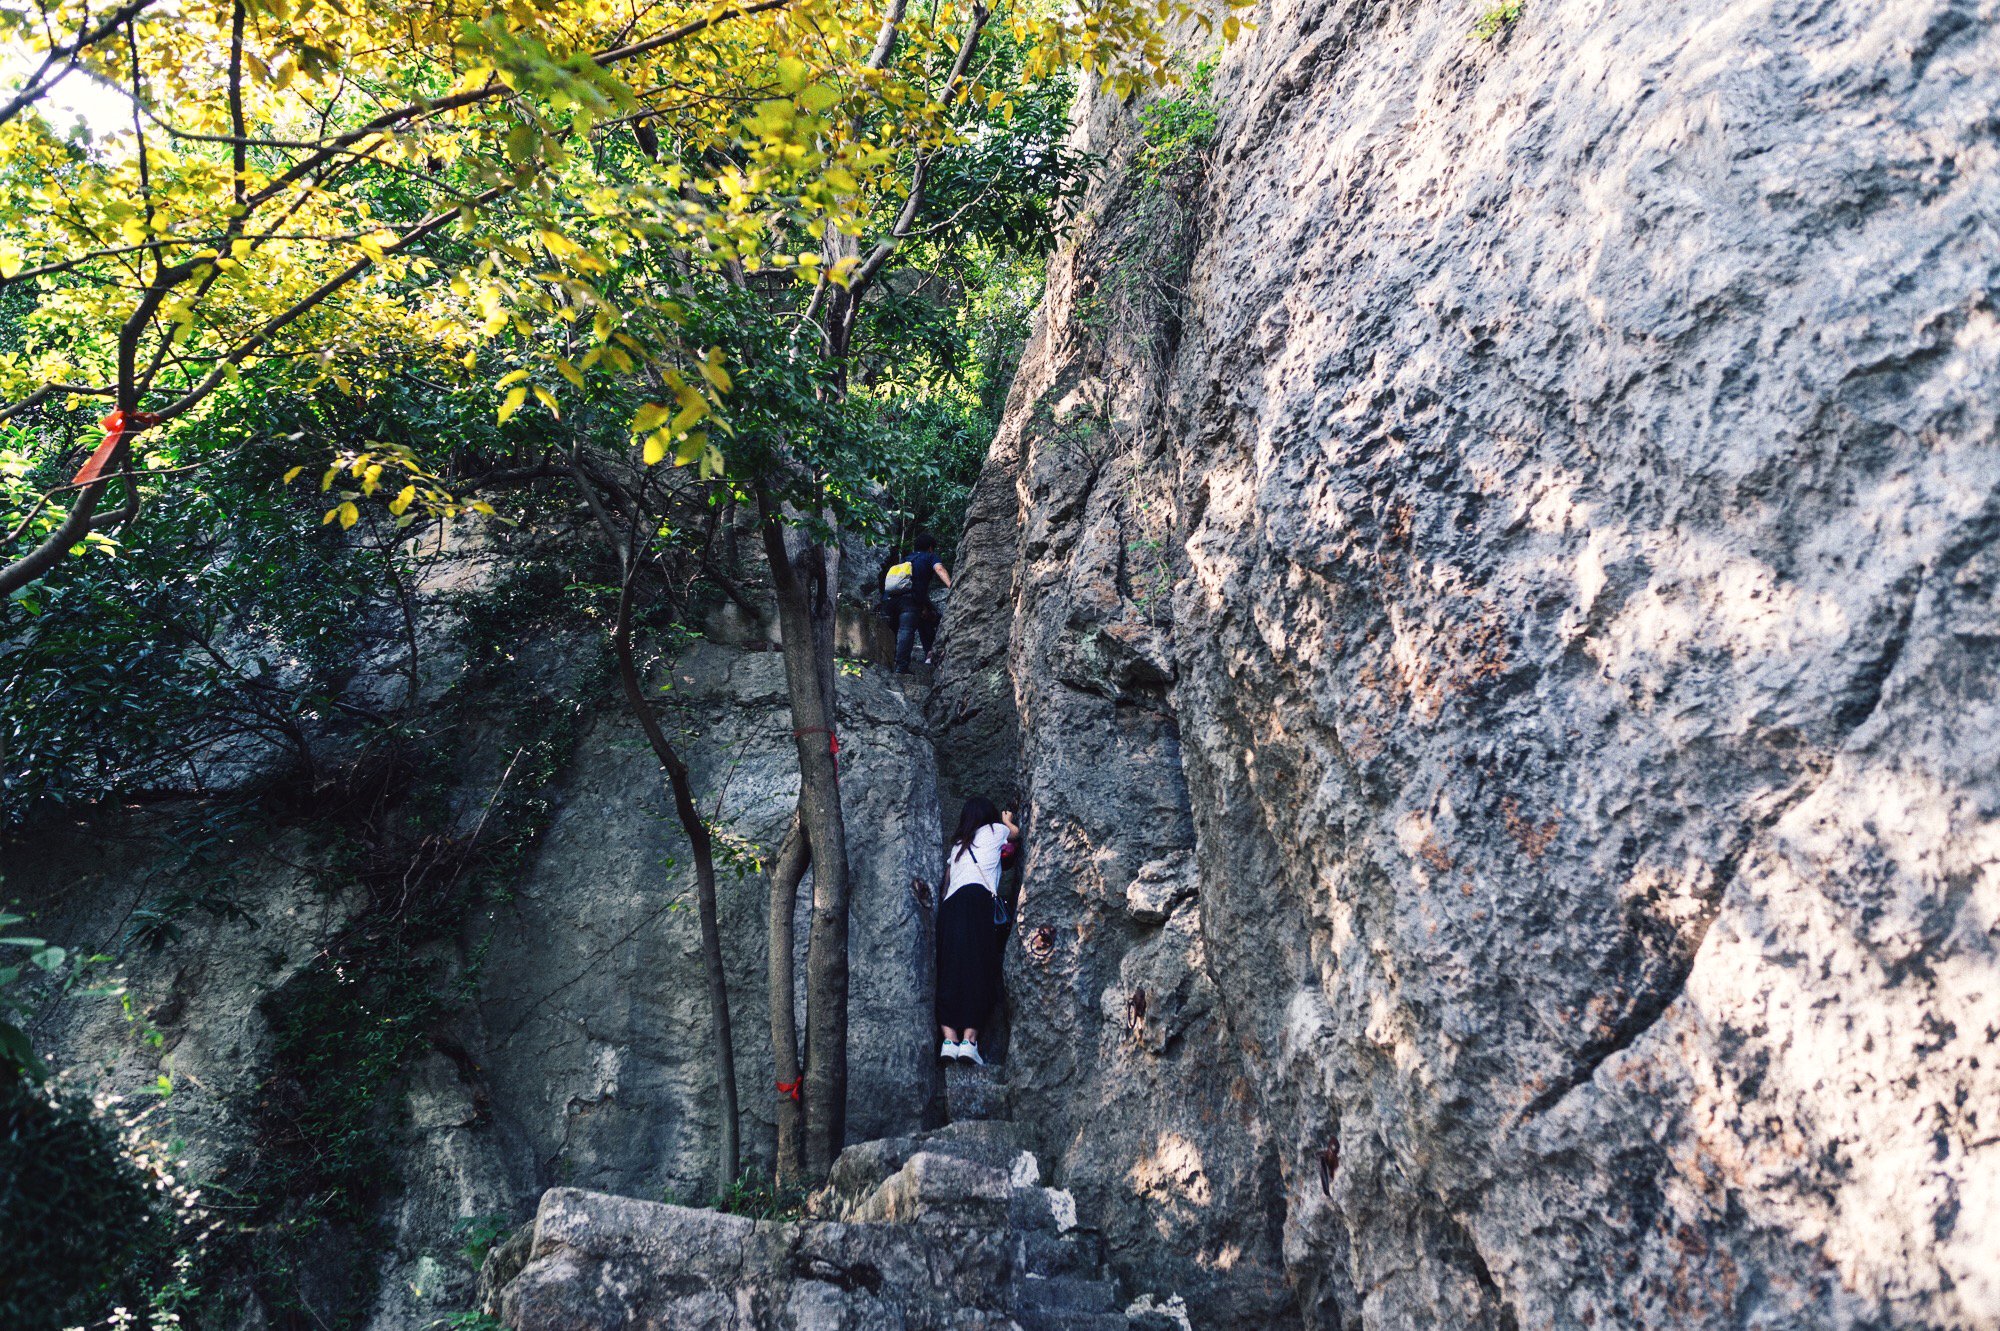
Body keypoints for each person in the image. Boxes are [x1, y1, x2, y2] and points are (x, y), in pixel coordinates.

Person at [936, 796, 1018, 1064]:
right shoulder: (994, 830)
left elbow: (946, 886)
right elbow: (1015, 834)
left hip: (950, 908)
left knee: (950, 971)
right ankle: (969, 1042)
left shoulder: (958, 846)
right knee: (978, 969)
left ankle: (949, 1041)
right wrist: (1007, 820)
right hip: (977, 902)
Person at [886, 531, 951, 673]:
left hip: (892, 599)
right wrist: (952, 587)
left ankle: (888, 665)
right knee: (906, 631)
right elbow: (939, 568)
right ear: (930, 548)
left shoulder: (906, 559)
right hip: (910, 601)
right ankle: (901, 668)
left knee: (895, 631)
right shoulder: (930, 557)